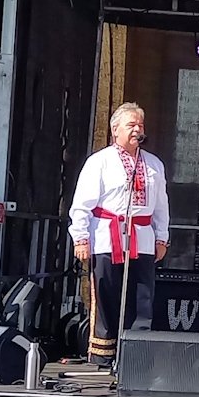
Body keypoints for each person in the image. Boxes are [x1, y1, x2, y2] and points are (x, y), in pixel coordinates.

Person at [69, 102, 170, 368]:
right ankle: (103, 355)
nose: (137, 130)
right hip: (107, 236)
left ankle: (135, 356)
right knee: (107, 294)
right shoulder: (99, 161)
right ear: (115, 130)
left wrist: (161, 237)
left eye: (140, 125)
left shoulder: (154, 164)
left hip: (142, 238)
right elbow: (82, 203)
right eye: (131, 125)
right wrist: (81, 237)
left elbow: (161, 205)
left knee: (141, 297)